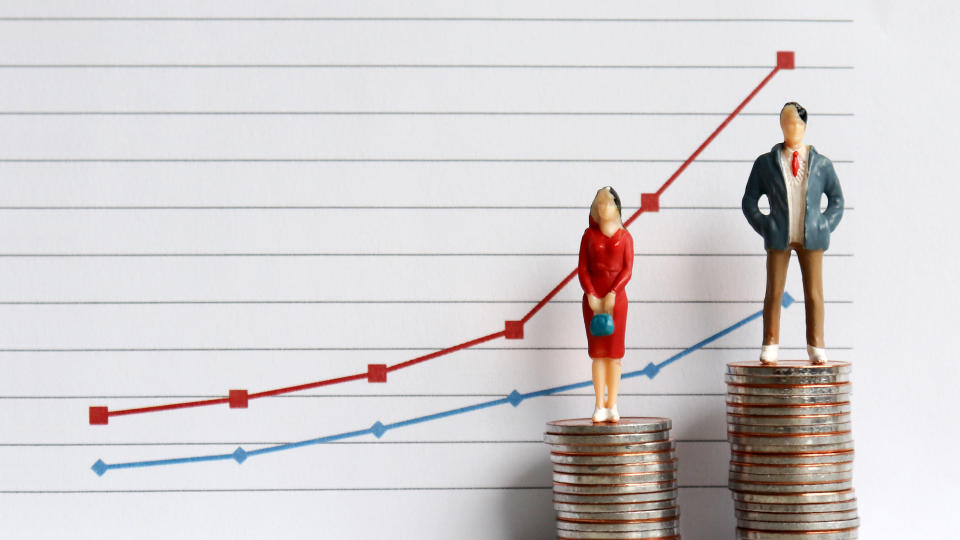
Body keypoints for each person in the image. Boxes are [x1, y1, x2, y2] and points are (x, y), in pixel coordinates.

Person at [742, 102, 844, 365]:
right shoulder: (766, 164)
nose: (793, 128)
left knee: (814, 294)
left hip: (812, 237)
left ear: (805, 126)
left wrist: (825, 225)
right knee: (773, 292)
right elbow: (749, 201)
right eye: (788, 123)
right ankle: (770, 342)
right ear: (781, 125)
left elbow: (837, 200)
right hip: (779, 238)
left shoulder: (821, 164)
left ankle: (816, 345)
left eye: (797, 123)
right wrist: (765, 226)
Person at [578, 187, 634, 422]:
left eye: (608, 204)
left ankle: (613, 403)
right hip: (592, 301)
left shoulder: (625, 237)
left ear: (617, 209)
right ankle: (599, 403)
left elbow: (627, 269)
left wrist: (613, 292)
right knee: (598, 354)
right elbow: (582, 269)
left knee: (614, 355)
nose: (603, 209)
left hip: (616, 301)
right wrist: (591, 293)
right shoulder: (588, 237)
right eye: (599, 205)